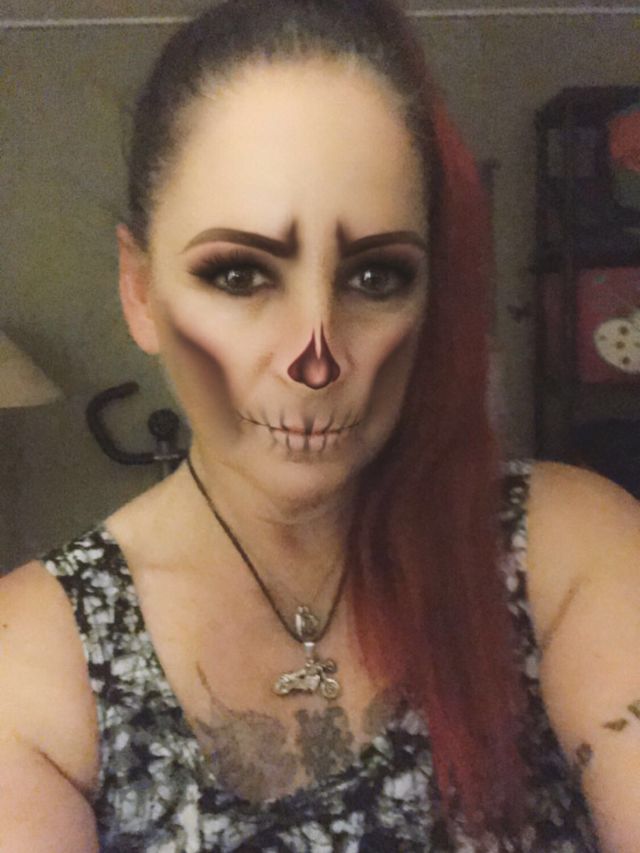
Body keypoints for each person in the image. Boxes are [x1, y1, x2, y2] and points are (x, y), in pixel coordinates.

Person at [1, 0, 639, 849]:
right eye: (239, 275)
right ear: (141, 291)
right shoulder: (33, 662)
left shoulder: (567, 547)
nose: (317, 357)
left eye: (376, 277)